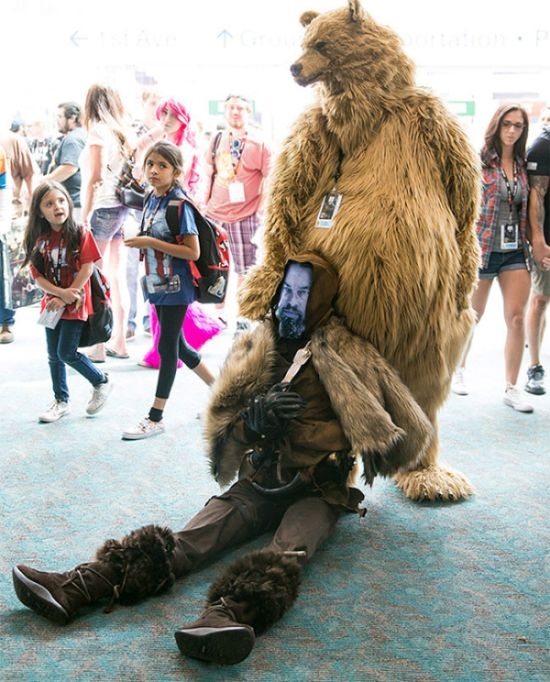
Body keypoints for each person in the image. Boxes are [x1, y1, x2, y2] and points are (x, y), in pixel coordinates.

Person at [11, 253, 432, 665]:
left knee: (288, 553)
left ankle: (226, 616)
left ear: (321, 299)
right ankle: (82, 584)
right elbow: (225, 427)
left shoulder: (349, 355)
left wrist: (307, 431)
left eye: (302, 292)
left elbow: (402, 432)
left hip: (317, 490)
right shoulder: (255, 345)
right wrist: (254, 423)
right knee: (188, 541)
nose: (289, 300)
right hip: (260, 482)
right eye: (287, 288)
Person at [122, 141, 215, 440]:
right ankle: (225, 395)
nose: (154, 170)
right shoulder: (151, 198)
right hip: (157, 284)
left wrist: (149, 242)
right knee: (180, 347)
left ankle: (155, 416)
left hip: (177, 287)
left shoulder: (179, 205)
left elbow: (192, 251)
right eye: (151, 164)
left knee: (166, 348)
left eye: (162, 165)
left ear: (176, 171)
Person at [452, 103, 533, 412]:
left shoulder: (525, 164)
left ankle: (512, 387)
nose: (512, 130)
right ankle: (459, 369)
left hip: (513, 250)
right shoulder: (479, 160)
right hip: (482, 248)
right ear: (497, 126)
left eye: (518, 126)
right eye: (507, 124)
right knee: (473, 315)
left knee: (516, 317)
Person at [20, 180, 113, 422]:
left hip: (77, 304)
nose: (57, 207)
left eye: (61, 200)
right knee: (53, 355)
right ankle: (61, 401)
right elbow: (37, 276)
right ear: (40, 211)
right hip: (53, 305)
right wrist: (60, 294)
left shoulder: (80, 232)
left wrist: (70, 293)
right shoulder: (39, 239)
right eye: (49, 204)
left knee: (66, 352)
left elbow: (87, 267)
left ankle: (100, 380)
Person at [203, 95, 272, 327]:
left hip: (246, 214)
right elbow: (208, 172)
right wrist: (203, 203)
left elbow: (270, 176)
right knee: (215, 265)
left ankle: (243, 313)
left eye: (240, 108)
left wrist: (260, 210)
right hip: (215, 213)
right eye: (231, 107)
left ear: (248, 112)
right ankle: (219, 312)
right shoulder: (217, 139)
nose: (235, 112)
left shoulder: (259, 142)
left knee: (246, 267)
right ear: (225, 111)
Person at [80, 84, 135, 362]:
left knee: (96, 277)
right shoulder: (122, 132)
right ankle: (120, 341)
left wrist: (84, 214)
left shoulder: (98, 131)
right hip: (121, 209)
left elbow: (95, 176)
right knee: (116, 276)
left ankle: (98, 345)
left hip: (102, 208)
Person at [0, 127, 37, 342]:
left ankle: (5, 322)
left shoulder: (10, 143)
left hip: (6, 217)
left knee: (4, 272)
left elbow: (3, 188)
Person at [524, 106, 550, 395]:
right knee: (541, 300)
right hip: (548, 239)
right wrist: (539, 241)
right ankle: (534, 367)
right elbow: (536, 197)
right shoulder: (543, 146)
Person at [43, 102, 87, 223]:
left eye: (60, 116)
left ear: (72, 118)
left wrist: (45, 181)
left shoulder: (72, 139)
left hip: (74, 202)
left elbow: (69, 168)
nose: (57, 120)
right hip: (76, 200)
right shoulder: (81, 135)